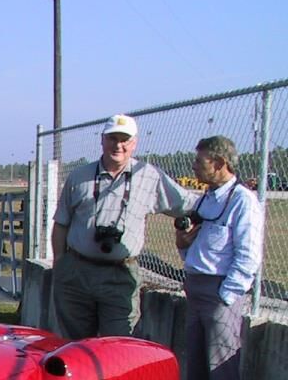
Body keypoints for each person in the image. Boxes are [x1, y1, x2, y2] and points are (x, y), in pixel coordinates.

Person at [51, 114, 195, 339]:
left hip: (121, 275)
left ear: (134, 143)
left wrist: (225, 199)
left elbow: (188, 204)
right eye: (112, 138)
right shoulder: (79, 177)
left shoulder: (149, 176)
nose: (118, 145)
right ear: (102, 140)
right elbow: (61, 223)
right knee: (74, 345)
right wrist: (60, 263)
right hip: (76, 273)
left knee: (118, 345)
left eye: (124, 140)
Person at [175, 135, 265, 380]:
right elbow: (194, 244)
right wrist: (184, 249)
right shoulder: (206, 199)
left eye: (200, 161)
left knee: (221, 370)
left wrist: (227, 296)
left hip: (220, 293)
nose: (195, 166)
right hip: (196, 287)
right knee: (197, 367)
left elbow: (248, 256)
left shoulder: (243, 201)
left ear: (220, 163)